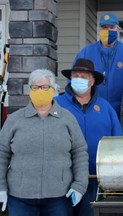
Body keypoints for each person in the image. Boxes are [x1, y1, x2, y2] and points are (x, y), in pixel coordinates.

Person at [0, 69, 89, 216]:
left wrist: (79, 186)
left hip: (59, 197)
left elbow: (79, 152)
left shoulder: (67, 119)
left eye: (44, 87)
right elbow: (2, 153)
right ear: (30, 90)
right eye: (35, 87)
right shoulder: (15, 120)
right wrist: (1, 187)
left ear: (53, 89)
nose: (39, 91)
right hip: (20, 198)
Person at [55, 58, 123, 216]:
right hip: (62, 179)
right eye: (75, 75)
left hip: (95, 179)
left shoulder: (106, 108)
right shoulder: (56, 104)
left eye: (83, 77)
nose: (78, 79)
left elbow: (117, 142)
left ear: (92, 82)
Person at [73, 12, 123, 116]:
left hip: (121, 112)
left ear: (118, 29)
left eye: (112, 27)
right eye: (104, 27)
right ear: (99, 30)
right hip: (92, 110)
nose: (108, 30)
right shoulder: (86, 52)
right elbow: (74, 78)